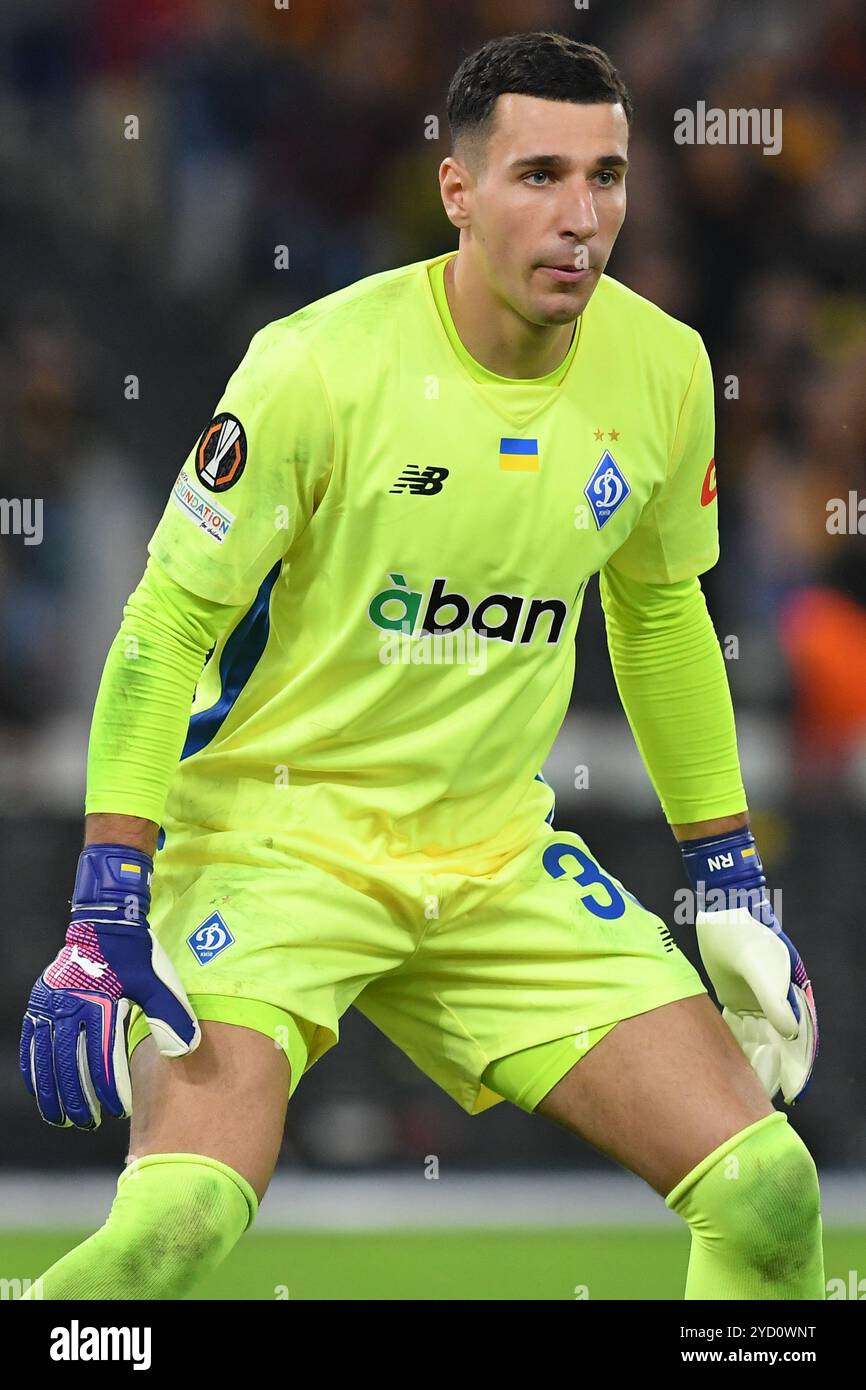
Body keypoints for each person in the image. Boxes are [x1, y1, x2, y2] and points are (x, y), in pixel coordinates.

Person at [20, 32, 821, 1301]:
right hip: (274, 850)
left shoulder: (664, 368)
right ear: (456, 192)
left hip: (493, 857)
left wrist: (727, 873)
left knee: (769, 1196)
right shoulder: (314, 367)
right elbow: (164, 624)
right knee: (167, 1240)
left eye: (606, 177)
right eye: (538, 175)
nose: (580, 218)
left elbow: (661, 617)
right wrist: (102, 901)